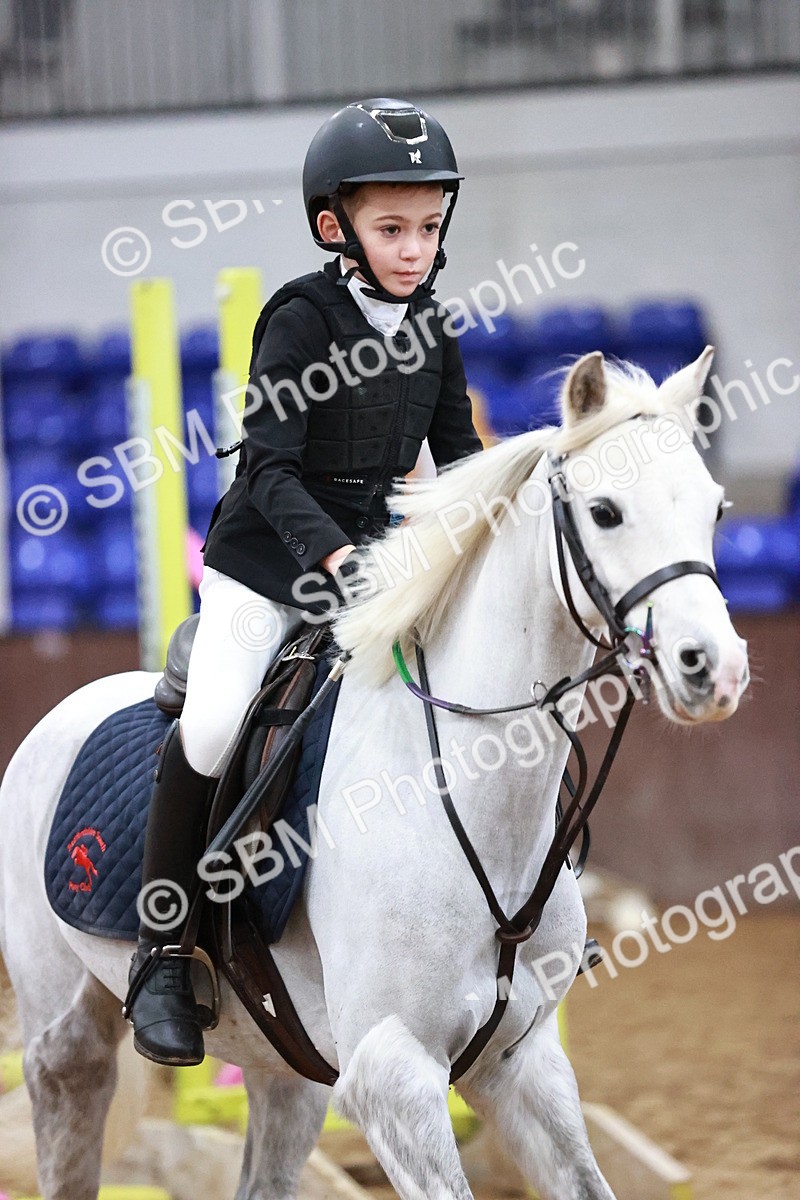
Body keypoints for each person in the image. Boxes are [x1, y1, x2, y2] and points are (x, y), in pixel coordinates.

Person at [126, 97, 483, 1066]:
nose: (413, 249)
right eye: (391, 229)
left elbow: (454, 463)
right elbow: (269, 468)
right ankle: (163, 953)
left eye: (427, 229)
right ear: (336, 227)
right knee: (210, 723)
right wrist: (339, 560)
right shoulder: (298, 316)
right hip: (267, 564)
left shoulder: (430, 325)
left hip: (370, 567)